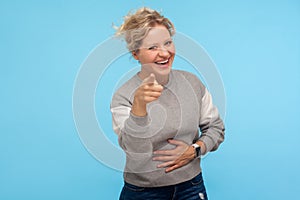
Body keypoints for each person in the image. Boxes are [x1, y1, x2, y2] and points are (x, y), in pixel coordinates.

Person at [110, 7, 225, 200]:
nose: (164, 53)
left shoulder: (193, 83)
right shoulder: (124, 96)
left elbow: (216, 127)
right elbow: (133, 148)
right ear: (136, 53)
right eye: (152, 47)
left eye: (168, 43)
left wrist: (195, 150)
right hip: (143, 192)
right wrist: (139, 108)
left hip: (191, 186)